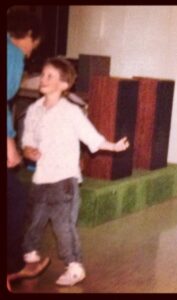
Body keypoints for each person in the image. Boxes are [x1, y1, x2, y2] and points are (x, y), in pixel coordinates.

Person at [21, 56, 130, 286]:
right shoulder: (34, 110)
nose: (44, 78)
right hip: (41, 178)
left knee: (63, 226)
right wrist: (28, 150)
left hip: (64, 181)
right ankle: (29, 255)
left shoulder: (71, 112)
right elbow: (28, 138)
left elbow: (91, 137)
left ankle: (74, 266)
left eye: (50, 76)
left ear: (64, 84)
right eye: (43, 74)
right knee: (34, 221)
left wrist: (113, 146)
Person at [7, 7, 51, 292]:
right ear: (30, 36)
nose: (32, 52)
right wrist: (10, 142)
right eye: (35, 44)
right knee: (16, 199)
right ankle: (11, 267)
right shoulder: (12, 54)